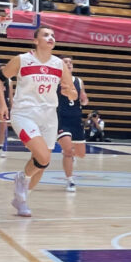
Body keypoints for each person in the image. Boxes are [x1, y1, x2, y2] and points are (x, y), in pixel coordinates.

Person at [0, 25, 77, 217]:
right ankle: (22, 181)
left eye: (53, 35)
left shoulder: (59, 65)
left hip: (49, 116)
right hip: (24, 114)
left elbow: (73, 91)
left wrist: (69, 92)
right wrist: (3, 104)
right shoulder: (22, 60)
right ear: (35, 40)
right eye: (45, 35)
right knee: (43, 157)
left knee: (43, 162)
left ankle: (22, 196)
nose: (51, 38)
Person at [56, 56, 89, 192]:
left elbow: (85, 100)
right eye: (66, 62)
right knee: (68, 151)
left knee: (81, 153)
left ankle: (69, 156)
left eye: (71, 63)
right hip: (61, 118)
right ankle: (70, 180)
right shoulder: (55, 80)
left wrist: (84, 99)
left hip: (76, 119)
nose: (69, 64)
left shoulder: (78, 81)